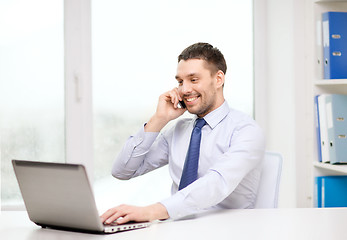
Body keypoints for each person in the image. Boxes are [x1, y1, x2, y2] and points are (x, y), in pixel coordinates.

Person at [100, 42, 265, 225]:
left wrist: (151, 211)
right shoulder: (178, 130)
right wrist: (159, 119)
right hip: (178, 228)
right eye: (180, 81)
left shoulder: (246, 131)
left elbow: (216, 183)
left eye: (193, 80)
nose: (184, 90)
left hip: (227, 231)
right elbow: (122, 171)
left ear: (218, 79)